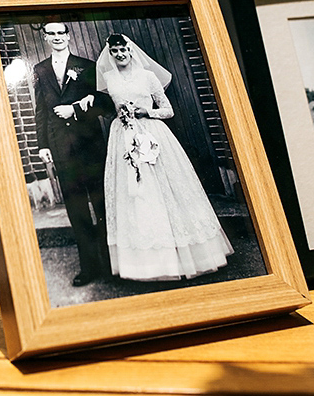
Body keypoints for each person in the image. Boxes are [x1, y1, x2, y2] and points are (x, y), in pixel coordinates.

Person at [97, 33, 234, 282]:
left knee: (167, 189)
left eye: (123, 49)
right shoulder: (108, 80)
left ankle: (189, 256)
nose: (120, 54)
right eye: (114, 51)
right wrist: (124, 115)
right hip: (124, 137)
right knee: (136, 194)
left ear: (131, 49)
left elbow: (168, 110)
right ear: (110, 54)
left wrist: (144, 111)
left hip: (152, 133)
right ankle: (146, 264)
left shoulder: (148, 77)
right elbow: (110, 108)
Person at [33, 21, 110, 287]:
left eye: (60, 33)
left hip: (90, 146)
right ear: (45, 38)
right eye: (51, 34)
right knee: (76, 209)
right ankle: (89, 267)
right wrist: (43, 145)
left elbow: (104, 103)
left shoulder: (87, 66)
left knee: (101, 204)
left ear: (68, 36)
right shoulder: (40, 70)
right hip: (61, 149)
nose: (57, 37)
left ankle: (110, 263)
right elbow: (41, 110)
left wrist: (75, 109)